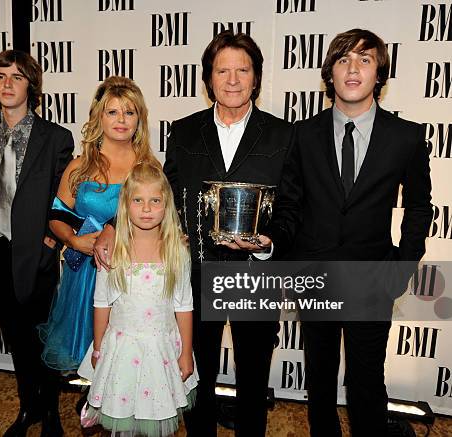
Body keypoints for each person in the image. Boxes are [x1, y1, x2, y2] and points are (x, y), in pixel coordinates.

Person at [260, 29, 433, 436]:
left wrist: (401, 268)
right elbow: (289, 204)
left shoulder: (405, 136)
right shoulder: (302, 134)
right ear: (330, 74)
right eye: (343, 60)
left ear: (380, 74)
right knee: (318, 383)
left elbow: (420, 206)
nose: (353, 68)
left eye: (365, 59)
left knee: (367, 384)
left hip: (373, 279)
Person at [127, 31, 289, 436]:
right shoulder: (183, 132)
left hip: (257, 277)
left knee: (253, 377)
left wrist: (269, 244)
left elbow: (292, 206)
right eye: (222, 71)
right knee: (196, 375)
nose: (232, 80)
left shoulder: (283, 135)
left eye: (242, 70)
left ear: (256, 78)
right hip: (197, 274)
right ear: (208, 79)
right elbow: (165, 195)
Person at [0, 50, 73, 437]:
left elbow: (65, 198)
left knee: (42, 338)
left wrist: (51, 244)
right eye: (0, 76)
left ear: (31, 86)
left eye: (16, 77)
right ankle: (27, 408)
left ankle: (50, 412)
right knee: (17, 339)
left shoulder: (55, 137)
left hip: (38, 254)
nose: (7, 83)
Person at [38, 76, 158, 371]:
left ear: (139, 119)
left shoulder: (149, 168)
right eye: (112, 112)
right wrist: (74, 241)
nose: (121, 120)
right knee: (91, 356)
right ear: (98, 117)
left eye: (129, 112)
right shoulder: (79, 166)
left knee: (129, 356)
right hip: (87, 276)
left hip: (133, 274)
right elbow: (57, 216)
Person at [77, 162, 198, 437]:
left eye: (155, 201)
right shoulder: (112, 251)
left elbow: (184, 305)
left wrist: (186, 352)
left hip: (162, 352)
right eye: (138, 200)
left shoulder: (177, 251)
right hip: (121, 350)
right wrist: (98, 348)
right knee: (123, 421)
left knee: (157, 417)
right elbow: (102, 303)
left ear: (166, 204)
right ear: (125, 204)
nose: (146, 209)